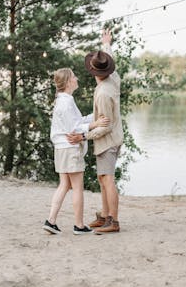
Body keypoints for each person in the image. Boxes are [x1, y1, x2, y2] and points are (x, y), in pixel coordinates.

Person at [67, 29, 123, 234]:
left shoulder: (103, 94)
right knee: (102, 178)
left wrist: (83, 136)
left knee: (107, 179)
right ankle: (105, 216)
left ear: (94, 72)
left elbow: (105, 126)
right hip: (112, 138)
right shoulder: (112, 78)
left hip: (108, 140)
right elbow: (110, 60)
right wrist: (106, 44)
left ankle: (114, 221)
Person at [43, 68, 109, 235]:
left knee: (64, 185)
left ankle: (51, 221)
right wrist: (95, 124)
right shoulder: (65, 103)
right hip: (70, 149)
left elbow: (77, 121)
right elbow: (74, 128)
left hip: (61, 149)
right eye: (73, 76)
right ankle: (79, 225)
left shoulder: (64, 100)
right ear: (67, 82)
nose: (76, 77)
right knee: (78, 187)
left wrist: (95, 117)